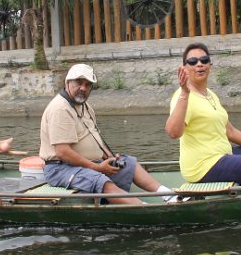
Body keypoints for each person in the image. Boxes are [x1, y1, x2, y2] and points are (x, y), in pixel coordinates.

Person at [39, 63, 177, 204]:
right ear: (67, 83)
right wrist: (97, 167)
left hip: (88, 163)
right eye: (79, 83)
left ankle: (168, 195)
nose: (83, 88)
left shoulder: (85, 106)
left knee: (128, 163)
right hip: (60, 168)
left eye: (88, 85)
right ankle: (144, 208)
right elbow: (63, 152)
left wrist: (109, 157)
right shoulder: (60, 109)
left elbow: (95, 137)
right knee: (100, 179)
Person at [165, 43, 241, 185]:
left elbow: (230, 131)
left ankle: (238, 186)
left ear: (210, 65)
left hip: (221, 154)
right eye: (193, 61)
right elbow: (173, 133)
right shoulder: (182, 96)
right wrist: (184, 93)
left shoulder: (211, 95)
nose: (199, 64)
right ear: (184, 68)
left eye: (204, 60)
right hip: (203, 165)